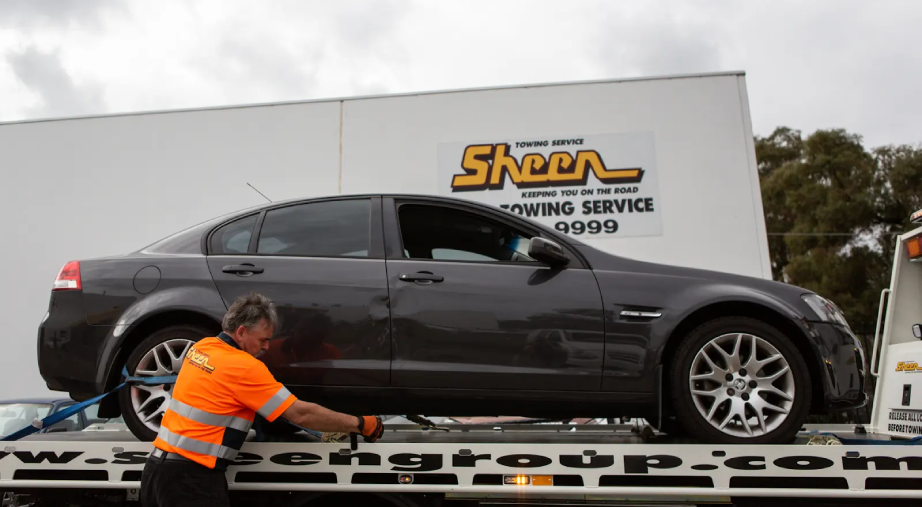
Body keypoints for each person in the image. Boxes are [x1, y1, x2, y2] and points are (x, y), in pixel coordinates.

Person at [140, 292, 384, 507]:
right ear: (242, 332)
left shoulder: (202, 348)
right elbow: (300, 414)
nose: (267, 347)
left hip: (156, 469)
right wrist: (360, 424)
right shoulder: (244, 367)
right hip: (191, 478)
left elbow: (215, 397)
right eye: (263, 340)